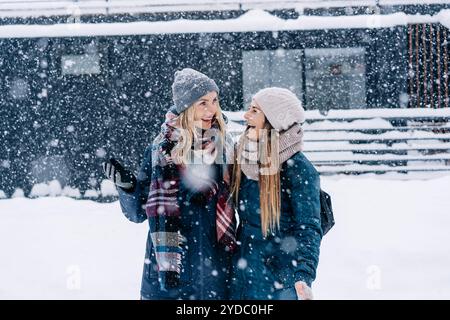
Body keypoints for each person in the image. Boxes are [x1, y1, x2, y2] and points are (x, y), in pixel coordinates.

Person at [103, 68, 236, 300]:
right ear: (186, 107)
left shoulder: (225, 149)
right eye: (202, 103)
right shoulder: (159, 151)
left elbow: (248, 201)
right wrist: (128, 188)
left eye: (215, 101)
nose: (212, 109)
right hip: (169, 275)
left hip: (216, 273)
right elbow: (137, 213)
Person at [229, 87, 322, 300]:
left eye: (255, 111)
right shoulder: (243, 158)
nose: (246, 116)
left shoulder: (298, 169)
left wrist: (303, 274)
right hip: (243, 278)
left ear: (273, 120)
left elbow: (308, 227)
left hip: (280, 282)